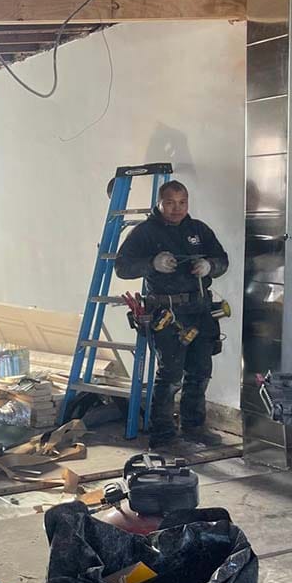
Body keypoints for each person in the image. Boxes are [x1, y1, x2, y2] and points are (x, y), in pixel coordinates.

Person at [115, 180, 228, 445]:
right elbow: (122, 267)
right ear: (159, 203)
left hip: (200, 309)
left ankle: (193, 427)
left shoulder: (199, 230)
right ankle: (163, 432)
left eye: (182, 203)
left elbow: (222, 260)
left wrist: (209, 266)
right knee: (170, 375)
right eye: (170, 203)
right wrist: (151, 264)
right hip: (168, 313)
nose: (176, 209)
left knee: (201, 371)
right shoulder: (145, 232)